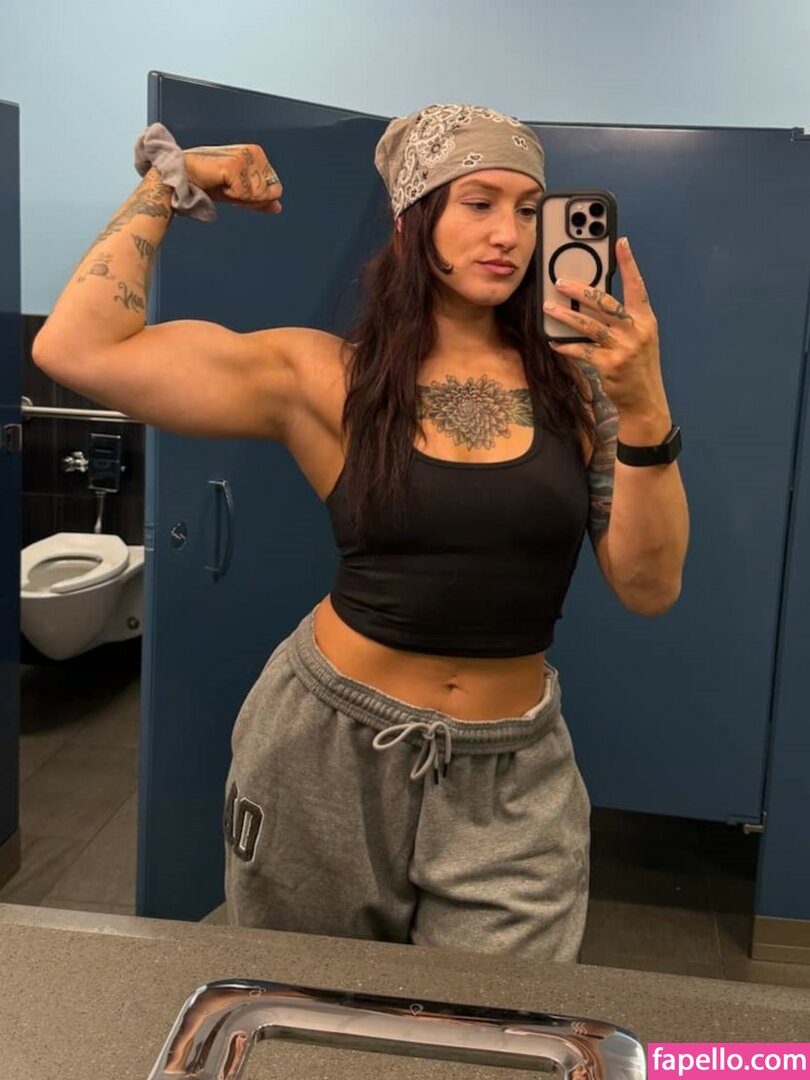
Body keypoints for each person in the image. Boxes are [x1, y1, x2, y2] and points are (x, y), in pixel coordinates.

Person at [33, 103, 689, 963]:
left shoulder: (580, 390)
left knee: (496, 1022)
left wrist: (646, 408)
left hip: (511, 776)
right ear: (414, 221)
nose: (509, 233)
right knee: (306, 1002)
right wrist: (173, 179)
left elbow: (648, 587)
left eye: (529, 209)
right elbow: (75, 350)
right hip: (324, 747)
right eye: (478, 202)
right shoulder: (324, 376)